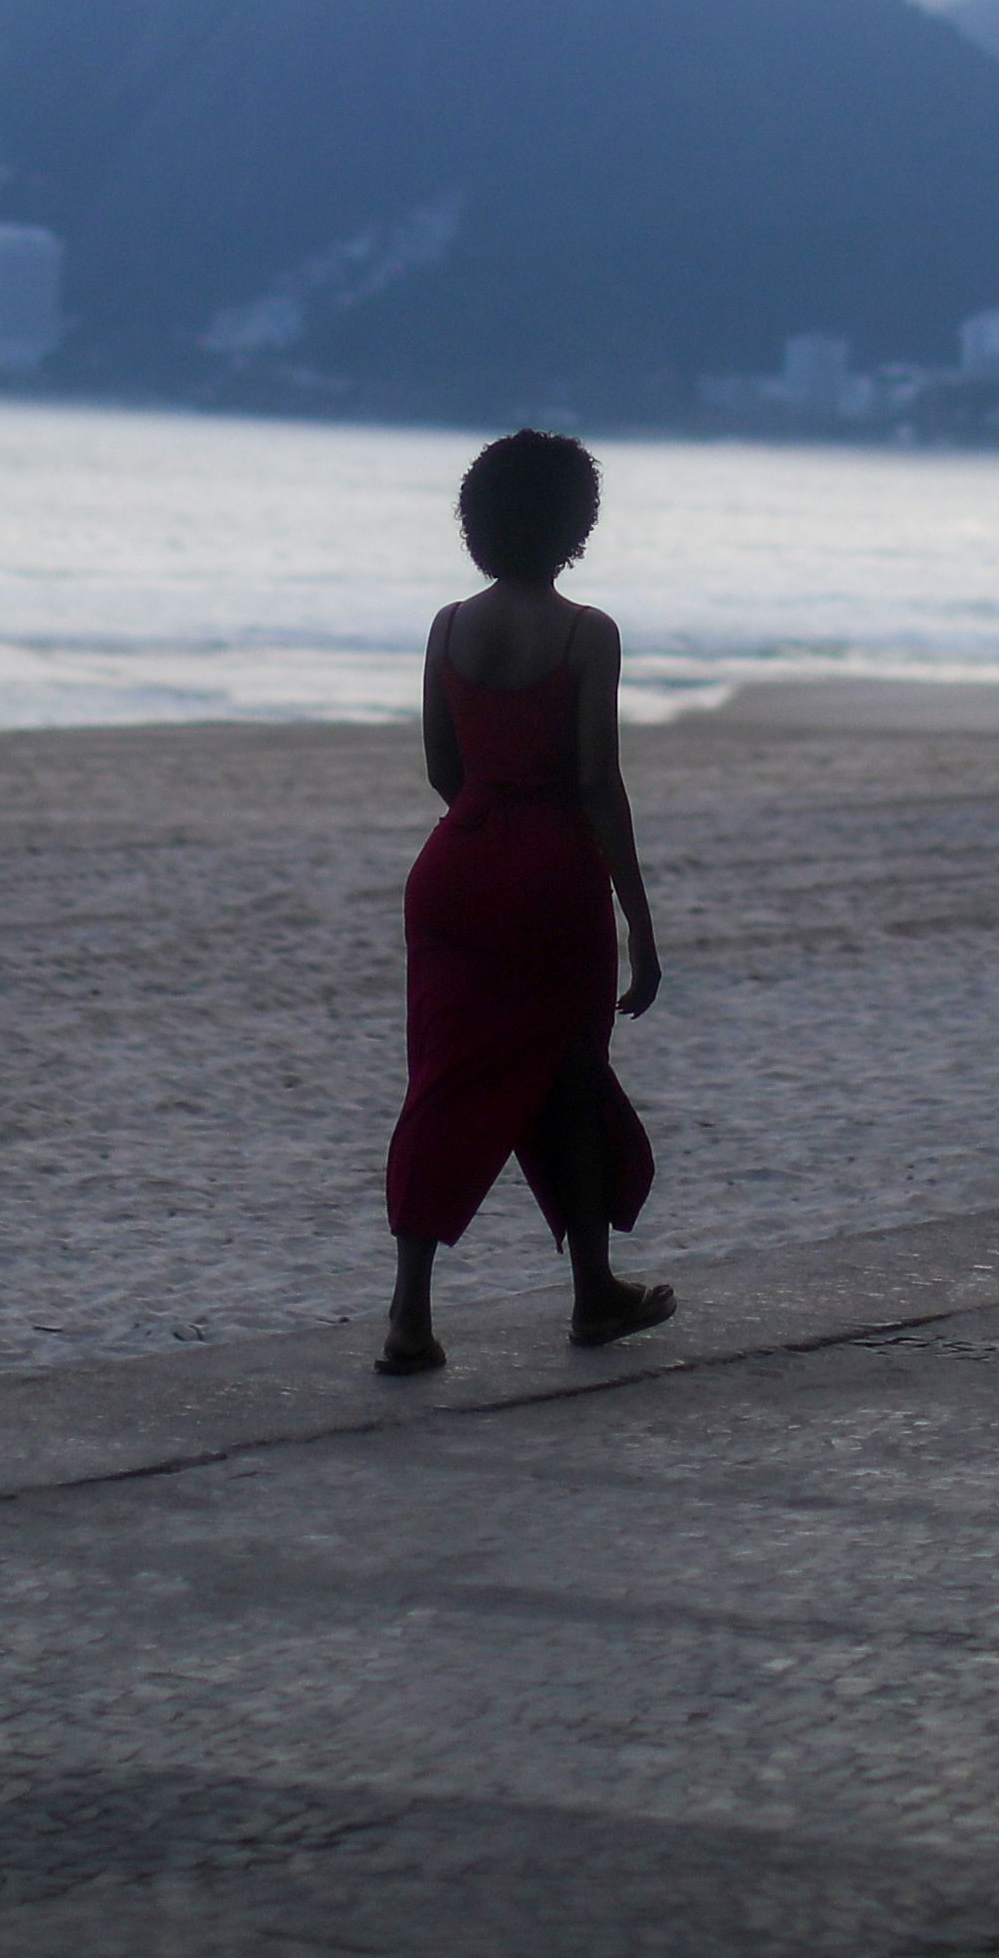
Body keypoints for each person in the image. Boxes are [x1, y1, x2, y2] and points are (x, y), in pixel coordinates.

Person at [376, 430, 668, 1376]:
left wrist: (487, 814)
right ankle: (592, 1294)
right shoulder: (588, 634)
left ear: (479, 523)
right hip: (551, 876)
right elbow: (598, 782)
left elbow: (440, 769)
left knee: (445, 1081)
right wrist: (640, 920)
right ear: (575, 527)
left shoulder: (448, 626)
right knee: (570, 1074)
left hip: (455, 869)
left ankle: (409, 1317)